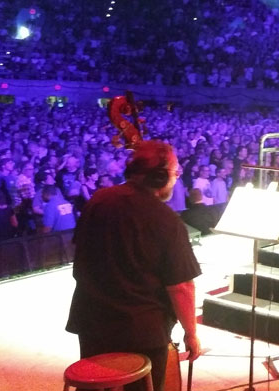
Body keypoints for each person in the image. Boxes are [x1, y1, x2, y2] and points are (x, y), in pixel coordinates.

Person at [66, 140, 201, 391]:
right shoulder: (166, 220)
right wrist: (191, 333)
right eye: (175, 173)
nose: (175, 179)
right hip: (141, 332)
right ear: (160, 176)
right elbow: (181, 287)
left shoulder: (98, 200)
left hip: (92, 322)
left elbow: (82, 255)